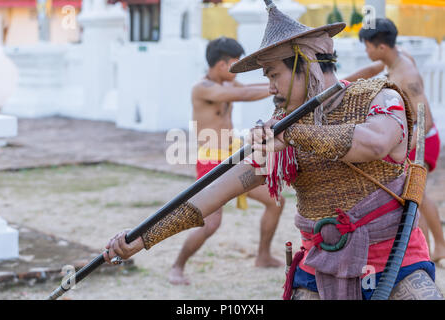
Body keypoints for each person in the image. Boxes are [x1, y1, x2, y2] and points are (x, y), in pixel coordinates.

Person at [103, 1, 444, 300]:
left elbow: (375, 143)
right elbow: (216, 191)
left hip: (395, 260)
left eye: (274, 74)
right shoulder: (281, 134)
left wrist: (295, 134)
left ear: (307, 63)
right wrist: (144, 237)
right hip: (321, 265)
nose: (270, 88)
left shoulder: (378, 96)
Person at [166, 37, 285, 285]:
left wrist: (278, 82)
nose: (238, 68)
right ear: (222, 65)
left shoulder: (226, 82)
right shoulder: (203, 88)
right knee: (211, 223)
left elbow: (245, 88)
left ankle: (263, 256)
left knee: (275, 200)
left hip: (234, 156)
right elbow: (242, 94)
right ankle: (177, 267)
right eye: (235, 63)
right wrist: (279, 87)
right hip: (212, 162)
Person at [345, 18, 445, 265]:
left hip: (422, 140)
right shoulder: (396, 58)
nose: (365, 51)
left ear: (380, 48)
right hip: (409, 139)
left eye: (367, 46)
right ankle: (435, 246)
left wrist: (399, 150)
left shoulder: (406, 74)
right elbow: (369, 72)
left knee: (414, 197)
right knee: (413, 195)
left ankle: (435, 247)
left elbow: (427, 120)